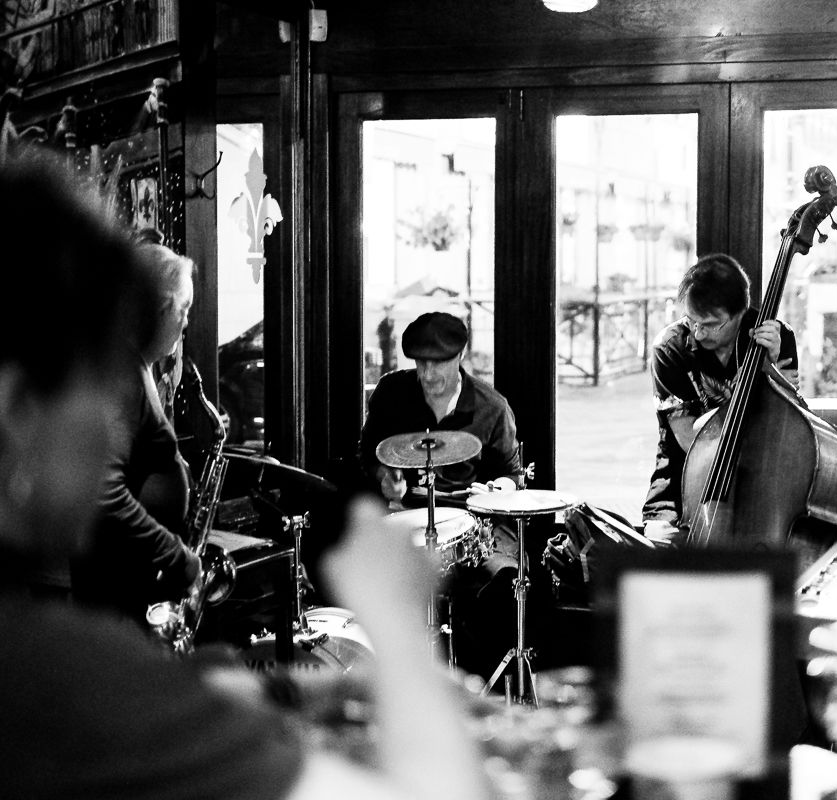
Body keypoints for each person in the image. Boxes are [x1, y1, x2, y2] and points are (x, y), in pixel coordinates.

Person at [0, 155, 489, 800]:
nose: (103, 435)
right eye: (93, 389)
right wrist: (397, 629)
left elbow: (144, 693)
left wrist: (293, 688)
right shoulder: (52, 674)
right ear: (19, 408)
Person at [357, 311, 527, 677]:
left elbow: (513, 474)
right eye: (421, 364)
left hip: (473, 523)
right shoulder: (392, 394)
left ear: (460, 356)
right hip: (405, 516)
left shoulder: (491, 408)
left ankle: (480, 681)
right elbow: (368, 454)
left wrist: (499, 489)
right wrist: (384, 478)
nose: (428, 374)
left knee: (503, 583)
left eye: (439, 364)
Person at [68, 241, 202, 625]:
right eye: (184, 309)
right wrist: (175, 555)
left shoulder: (129, 365)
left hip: (125, 585)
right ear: (159, 308)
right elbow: (103, 492)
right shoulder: (123, 374)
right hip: (116, 593)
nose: (186, 323)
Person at [641, 253, 799, 544]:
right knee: (663, 549)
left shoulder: (775, 338)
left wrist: (772, 372)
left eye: (710, 324)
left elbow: (787, 430)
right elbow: (693, 442)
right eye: (692, 320)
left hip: (759, 486)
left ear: (740, 313)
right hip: (680, 488)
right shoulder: (670, 348)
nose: (698, 333)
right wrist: (752, 394)